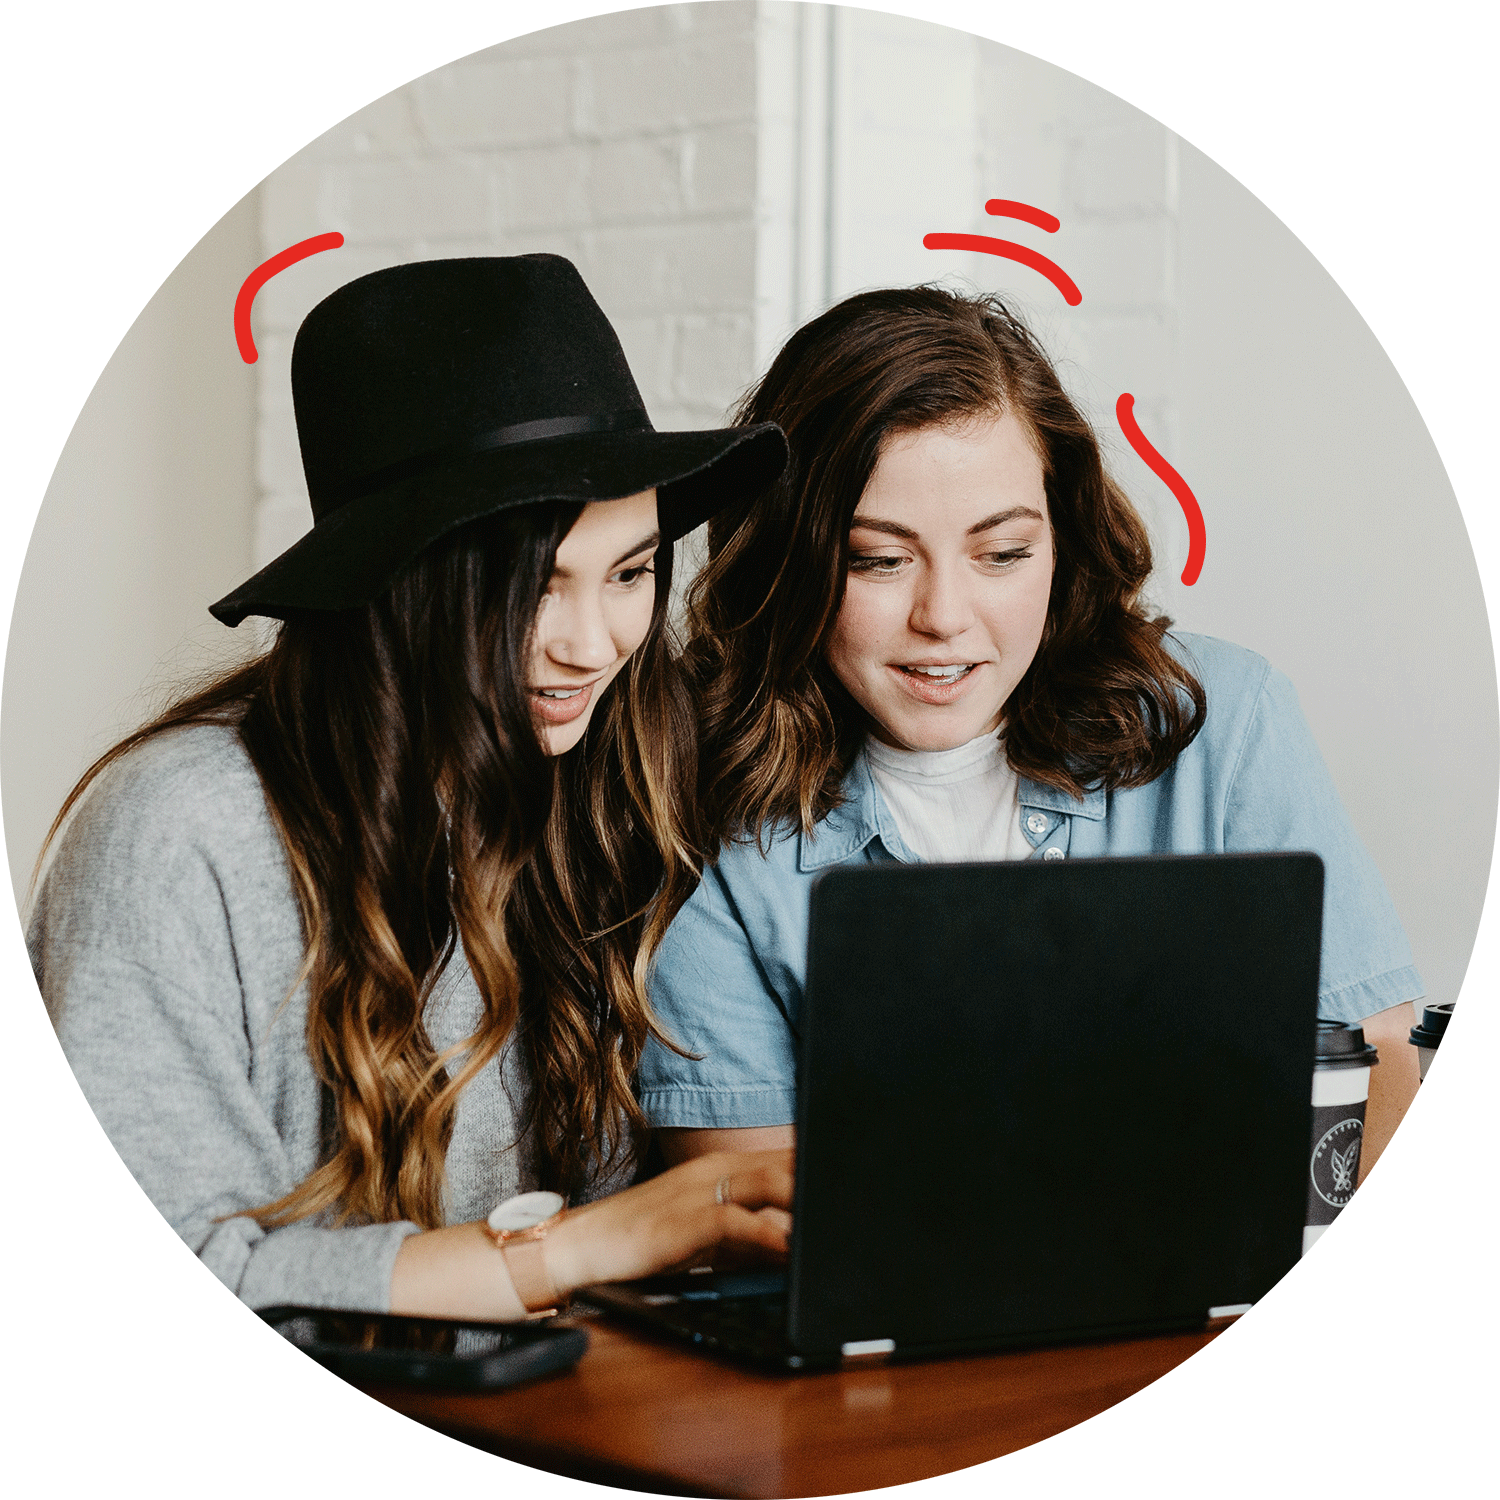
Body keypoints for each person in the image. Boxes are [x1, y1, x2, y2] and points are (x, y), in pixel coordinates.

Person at [29, 254, 795, 1320]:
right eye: (535, 586)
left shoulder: (611, 787)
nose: (593, 645)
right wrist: (588, 1245)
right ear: (395, 584)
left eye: (630, 573)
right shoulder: (180, 830)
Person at [640, 284, 1424, 1182]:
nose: (944, 616)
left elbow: (1372, 1079)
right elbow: (738, 1207)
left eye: (1002, 554)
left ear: (1063, 537)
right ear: (789, 562)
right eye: (879, 561)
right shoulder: (707, 810)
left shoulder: (1224, 722)